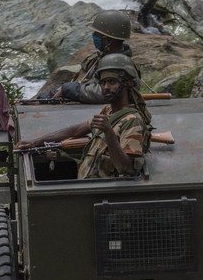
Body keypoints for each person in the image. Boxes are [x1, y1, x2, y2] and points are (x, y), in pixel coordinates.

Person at [17, 54, 151, 178]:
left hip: (107, 195)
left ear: (127, 83)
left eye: (112, 82)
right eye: (103, 83)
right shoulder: (109, 112)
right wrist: (35, 142)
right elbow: (75, 130)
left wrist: (109, 132)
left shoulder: (132, 121)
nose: (106, 87)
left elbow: (127, 169)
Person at [37, 9, 135, 103]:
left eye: (98, 34)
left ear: (109, 39)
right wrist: (51, 95)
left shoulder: (123, 65)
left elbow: (107, 93)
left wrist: (70, 89)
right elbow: (79, 82)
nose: (94, 36)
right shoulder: (95, 59)